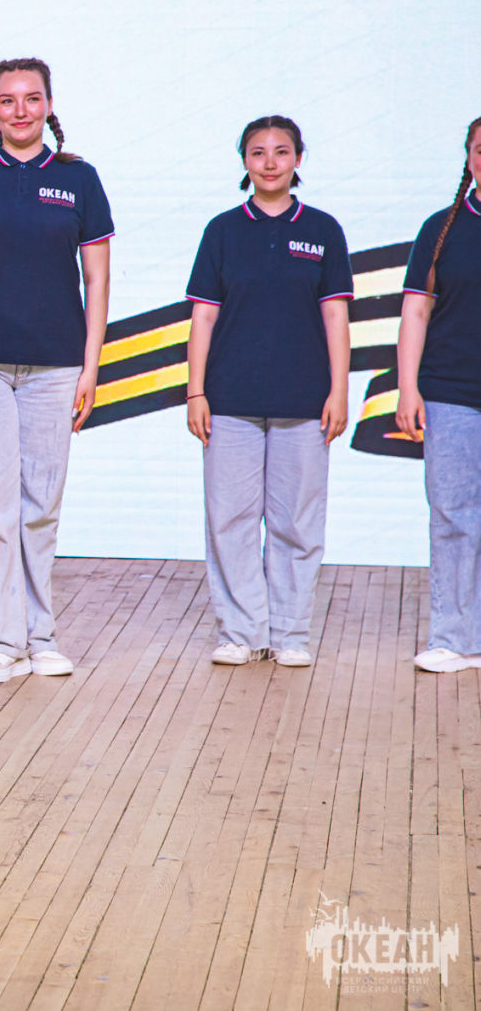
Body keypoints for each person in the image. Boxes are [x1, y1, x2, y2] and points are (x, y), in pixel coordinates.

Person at [0, 58, 112, 683]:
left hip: (57, 367)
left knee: (40, 506)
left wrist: (91, 366)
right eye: (8, 100)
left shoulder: (79, 179)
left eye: (32, 98)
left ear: (48, 105)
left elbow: (97, 279)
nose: (20, 110)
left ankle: (40, 636)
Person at [185, 115, 352, 667]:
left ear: (298, 159)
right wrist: (196, 392)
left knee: (296, 522)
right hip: (229, 400)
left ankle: (289, 633)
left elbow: (336, 318)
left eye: (282, 151)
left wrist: (339, 391)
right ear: (245, 161)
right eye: (258, 152)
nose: (270, 162)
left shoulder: (323, 230)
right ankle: (241, 632)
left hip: (304, 401)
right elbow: (204, 318)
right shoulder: (222, 231)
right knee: (229, 520)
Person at [396, 116, 481, 673]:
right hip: (450, 391)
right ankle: (455, 638)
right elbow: (416, 311)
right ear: (469, 158)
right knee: (453, 517)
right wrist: (408, 387)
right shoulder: (442, 228)